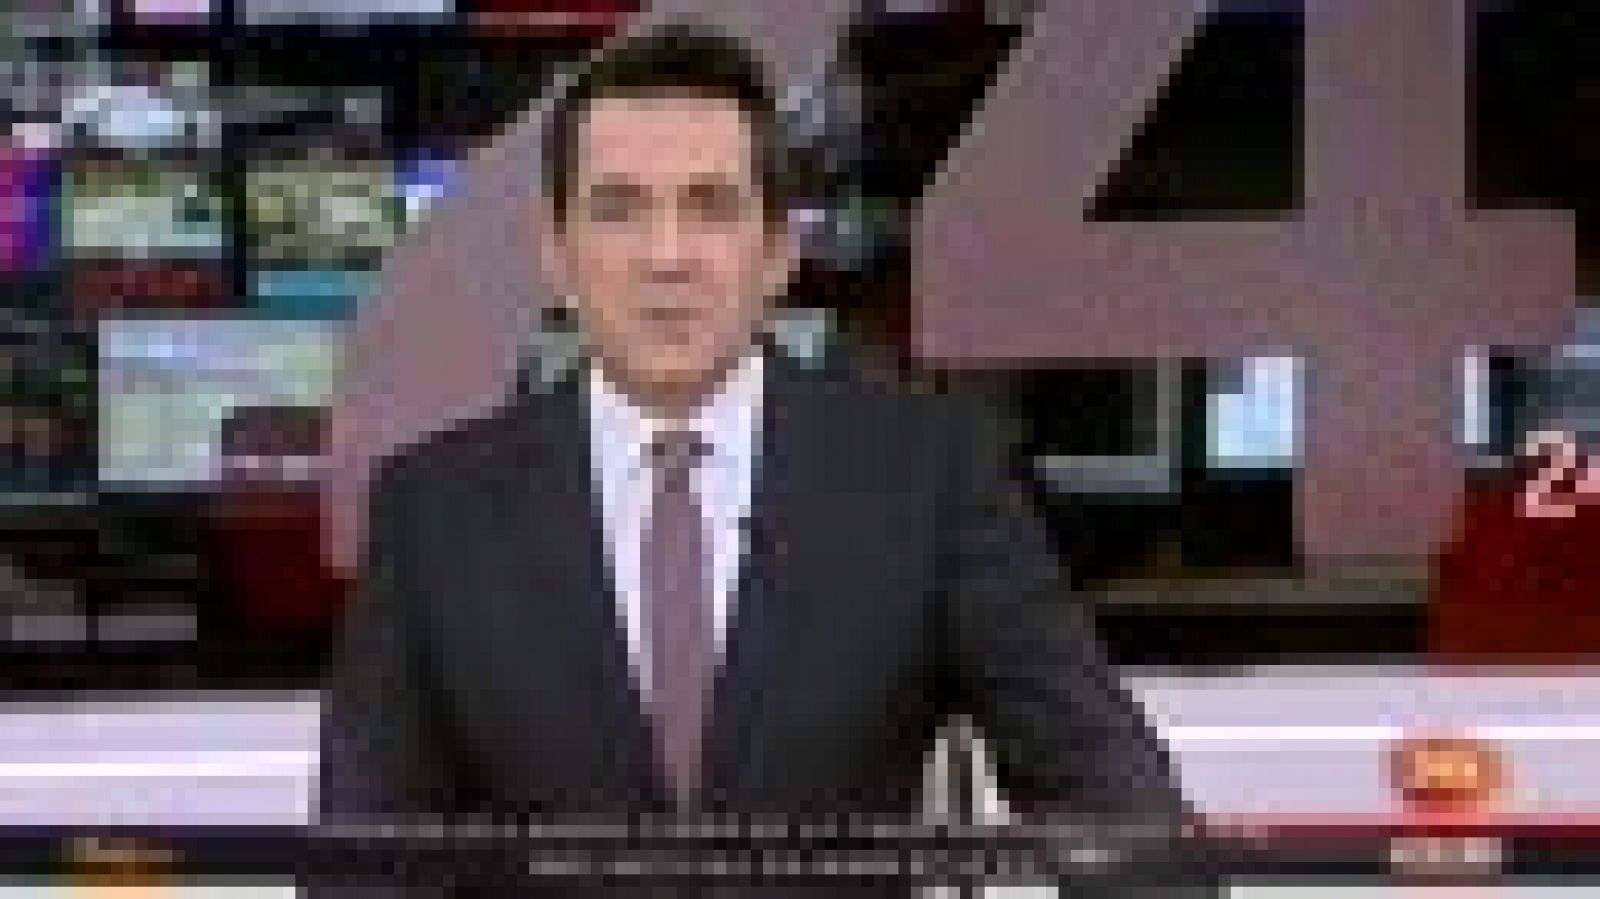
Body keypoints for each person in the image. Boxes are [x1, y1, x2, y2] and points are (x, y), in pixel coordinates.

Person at [317, 19, 1217, 898]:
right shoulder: (432, 514)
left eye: (709, 207)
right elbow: (367, 870)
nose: (667, 257)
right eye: (620, 209)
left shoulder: (929, 479)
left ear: (779, 251)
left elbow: (1112, 800)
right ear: (556, 256)